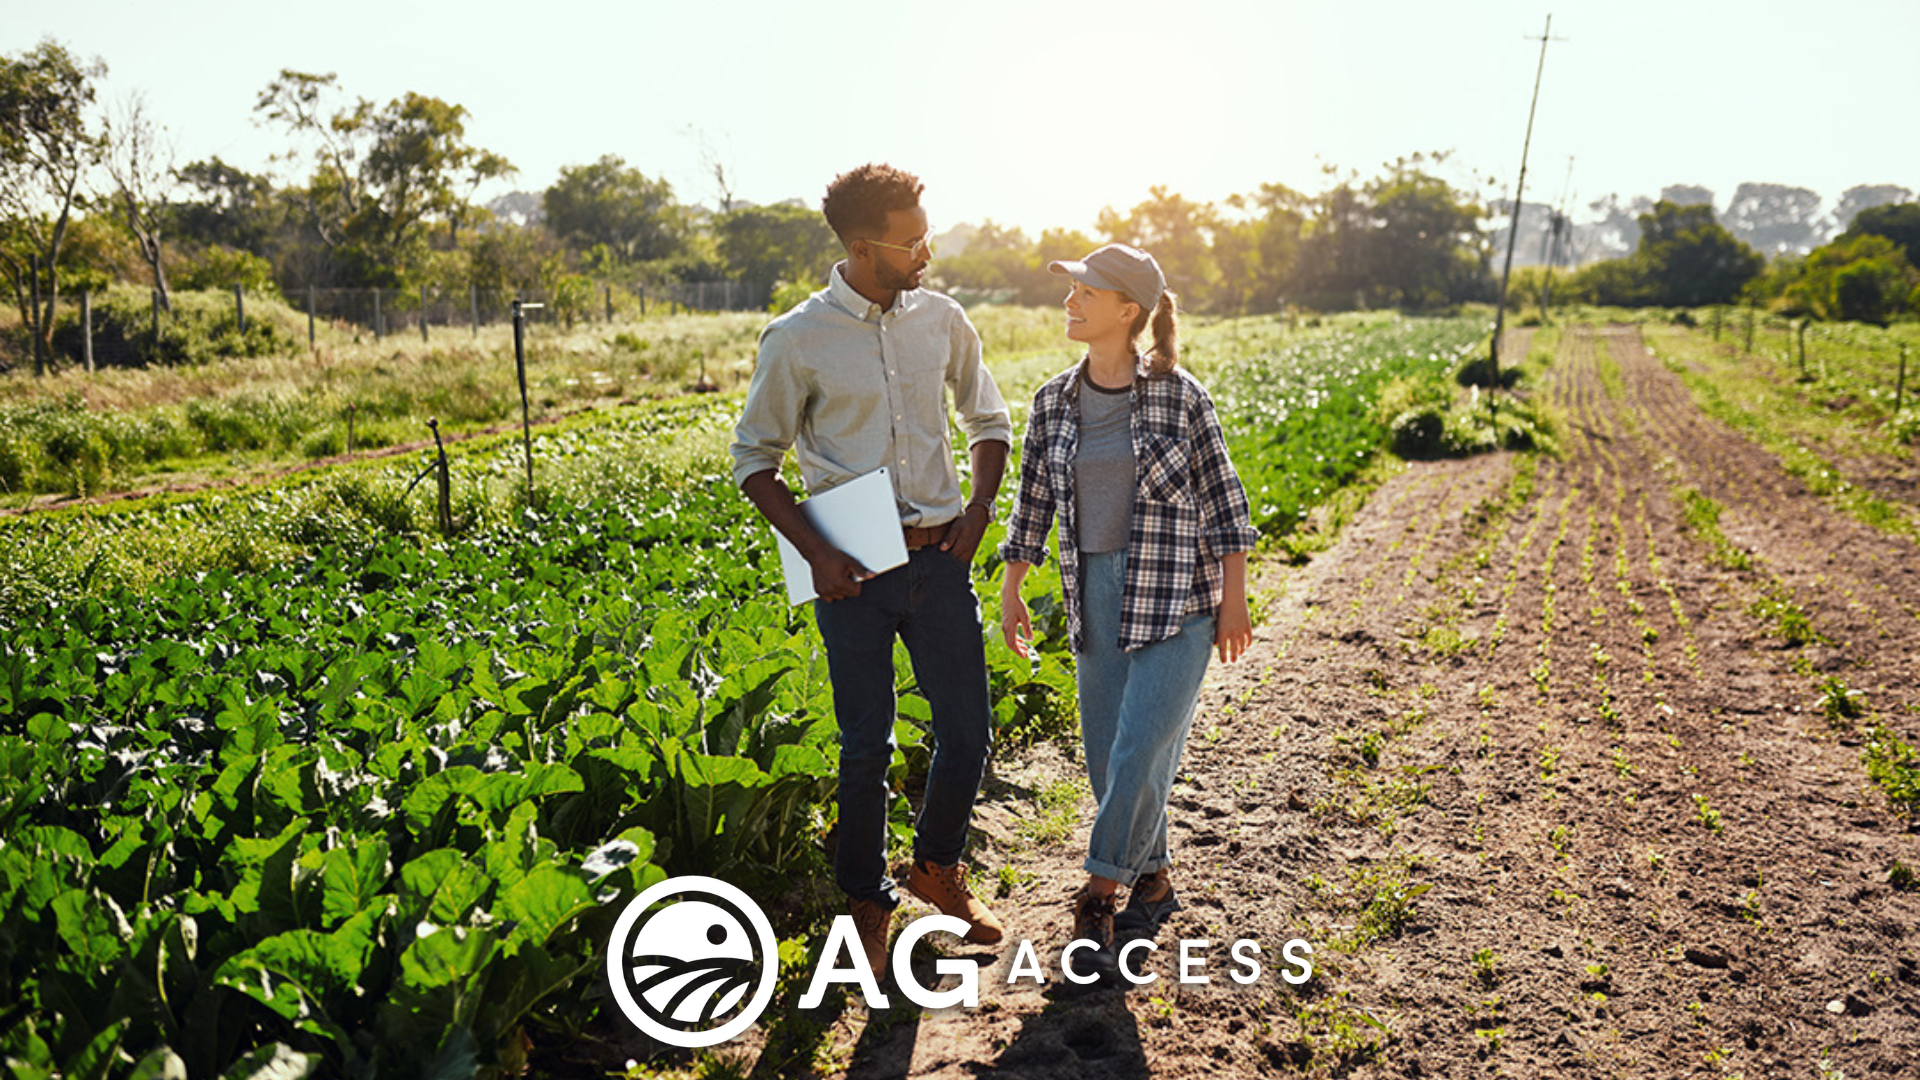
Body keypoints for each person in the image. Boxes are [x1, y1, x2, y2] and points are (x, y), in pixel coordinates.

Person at [730, 163, 1010, 984]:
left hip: (940, 560)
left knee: (967, 731)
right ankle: (867, 903)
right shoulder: (796, 338)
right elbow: (755, 461)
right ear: (863, 246)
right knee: (866, 746)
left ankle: (937, 867)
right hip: (853, 571)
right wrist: (817, 551)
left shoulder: (943, 320)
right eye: (912, 239)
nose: (928, 250)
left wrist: (980, 508)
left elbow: (987, 417)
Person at [997, 243, 1258, 974]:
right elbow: (1033, 506)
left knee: (1140, 747)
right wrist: (1013, 587)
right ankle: (1153, 874)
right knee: (1110, 764)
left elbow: (1225, 503)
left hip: (1180, 598)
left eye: (1086, 291)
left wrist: (1235, 599)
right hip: (1096, 594)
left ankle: (1098, 891)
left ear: (1128, 311)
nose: (1070, 301)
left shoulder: (1180, 395)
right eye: (1070, 289)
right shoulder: (1053, 401)